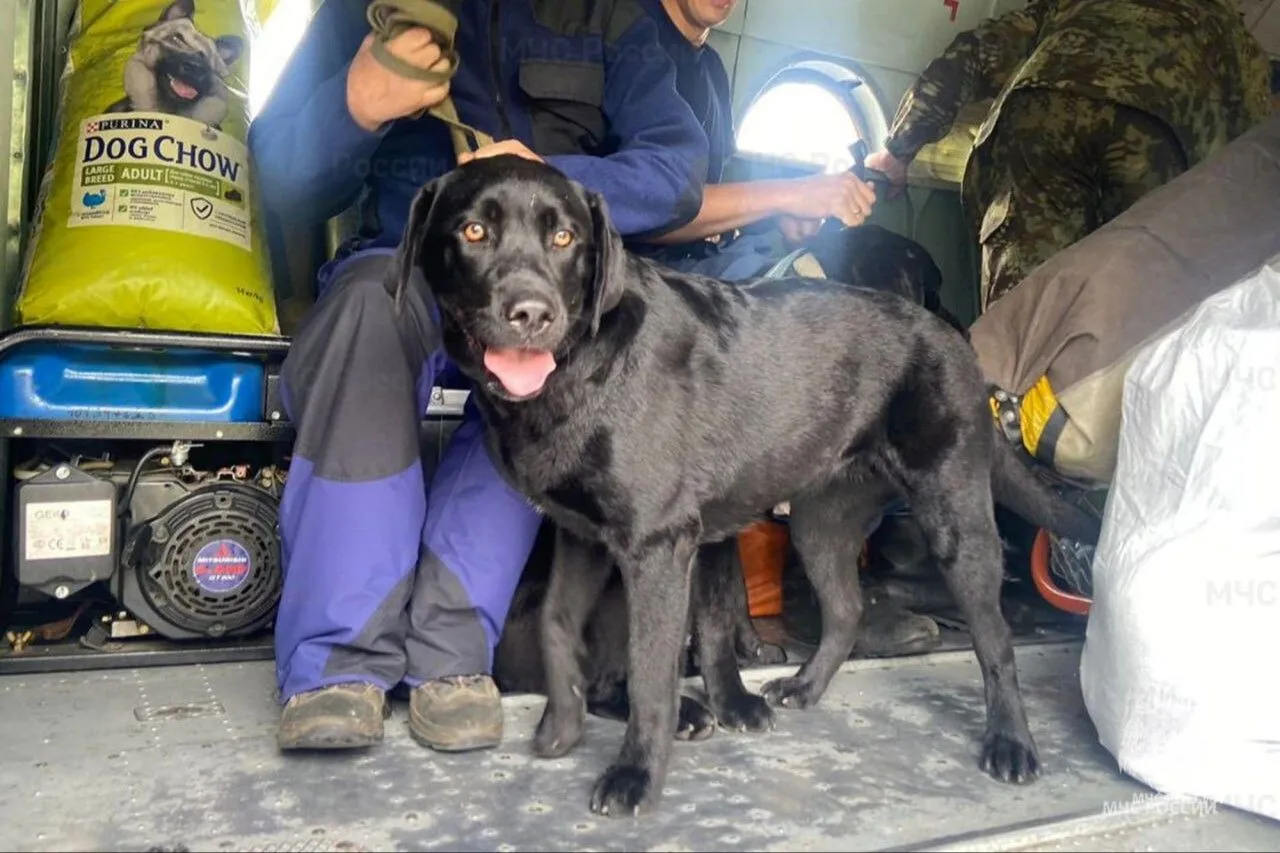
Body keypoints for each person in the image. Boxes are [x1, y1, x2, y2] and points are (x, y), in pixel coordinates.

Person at [248, 0, 711, 753]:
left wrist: (547, 182)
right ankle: (339, 658)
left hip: (544, 285)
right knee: (366, 313)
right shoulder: (361, 10)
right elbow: (276, 178)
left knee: (558, 372)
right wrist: (354, 105)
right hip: (409, 268)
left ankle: (451, 654)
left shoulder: (613, 21)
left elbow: (679, 170)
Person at [632, 0, 945, 658]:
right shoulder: (639, 46)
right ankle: (812, 586)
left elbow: (709, 204)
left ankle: (881, 555)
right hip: (656, 288)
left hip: (711, 271)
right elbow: (655, 211)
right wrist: (790, 195)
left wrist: (785, 222)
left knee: (888, 290)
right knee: (836, 326)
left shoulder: (709, 68)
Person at [866, 0, 1273, 312]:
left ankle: (1002, 411)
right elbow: (1256, 148)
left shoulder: (1072, 6)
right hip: (1157, 140)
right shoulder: (1226, 33)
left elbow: (971, 55)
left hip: (1044, 119)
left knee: (1018, 319)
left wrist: (898, 150)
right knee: (1130, 318)